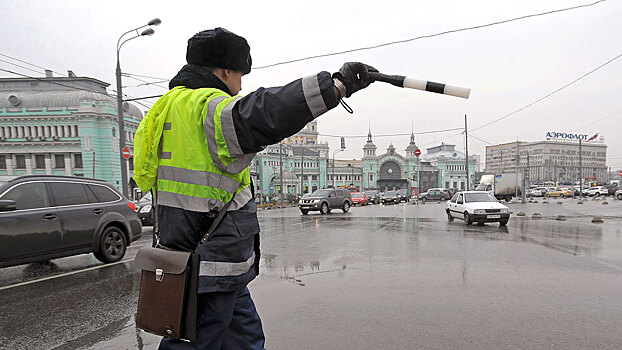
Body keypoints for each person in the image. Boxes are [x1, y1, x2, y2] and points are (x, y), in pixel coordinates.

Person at [133, 27, 376, 349]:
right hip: (209, 258)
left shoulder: (165, 109)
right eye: (240, 75)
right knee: (196, 341)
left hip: (203, 254)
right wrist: (336, 86)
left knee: (245, 339)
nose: (241, 86)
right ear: (225, 70)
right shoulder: (206, 108)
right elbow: (266, 111)